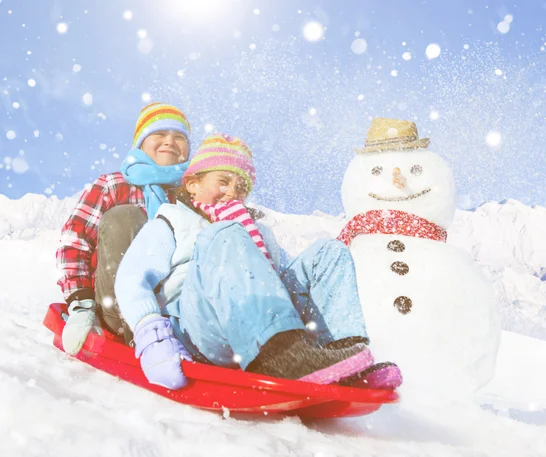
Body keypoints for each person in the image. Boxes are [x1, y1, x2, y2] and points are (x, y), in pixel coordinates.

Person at [114, 133, 402, 390]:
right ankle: (278, 355)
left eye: (241, 187)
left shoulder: (257, 231)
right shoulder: (172, 220)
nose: (232, 193)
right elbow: (131, 278)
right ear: (192, 184)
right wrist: (153, 337)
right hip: (200, 328)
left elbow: (288, 280)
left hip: (257, 319)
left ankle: (345, 353)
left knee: (328, 252)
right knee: (225, 233)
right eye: (223, 182)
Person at [56, 102, 192, 355]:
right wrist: (80, 303)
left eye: (179, 137)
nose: (170, 142)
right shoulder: (113, 185)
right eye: (159, 135)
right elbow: (75, 241)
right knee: (125, 217)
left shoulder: (193, 195)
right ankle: (140, 333)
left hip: (179, 310)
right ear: (141, 144)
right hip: (118, 306)